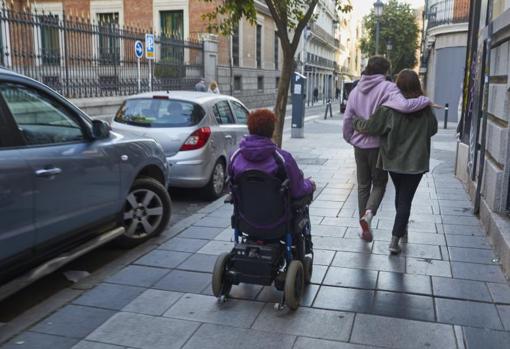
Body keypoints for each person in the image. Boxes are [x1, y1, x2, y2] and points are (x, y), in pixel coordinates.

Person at [342, 56, 431, 243]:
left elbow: (348, 118)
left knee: (363, 186)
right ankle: (368, 214)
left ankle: (363, 227)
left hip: (358, 146)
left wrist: (349, 137)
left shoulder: (356, 89)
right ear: (385, 71)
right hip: (377, 145)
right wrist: (425, 101)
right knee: (379, 184)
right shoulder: (388, 87)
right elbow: (405, 106)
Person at [229, 109, 315, 200]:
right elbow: (298, 191)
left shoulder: (235, 157)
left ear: (250, 129)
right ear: (272, 131)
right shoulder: (283, 159)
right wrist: (310, 184)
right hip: (278, 213)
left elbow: (232, 186)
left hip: (245, 213)